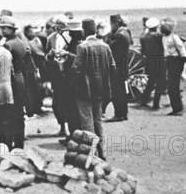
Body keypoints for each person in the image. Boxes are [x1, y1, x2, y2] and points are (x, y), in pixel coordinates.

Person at [71, 19, 115, 159]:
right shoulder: (105, 46)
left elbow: (76, 68)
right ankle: (101, 151)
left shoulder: (82, 47)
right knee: (97, 120)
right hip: (101, 88)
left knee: (87, 121)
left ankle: (92, 152)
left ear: (83, 31)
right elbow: (112, 67)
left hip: (84, 89)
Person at [0, 17, 27, 149]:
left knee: (8, 114)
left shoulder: (8, 45)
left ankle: (8, 145)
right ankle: (19, 144)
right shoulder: (19, 42)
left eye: (4, 28)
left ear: (11, 29)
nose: (2, 30)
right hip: (20, 78)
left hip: (11, 80)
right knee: (18, 113)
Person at [45, 14, 71, 135]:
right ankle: (62, 127)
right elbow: (46, 57)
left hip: (69, 74)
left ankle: (70, 129)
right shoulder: (50, 38)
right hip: (56, 74)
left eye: (61, 25)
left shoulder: (71, 37)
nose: (58, 28)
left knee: (68, 101)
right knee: (57, 103)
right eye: (57, 25)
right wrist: (50, 56)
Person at [105, 14, 132, 122]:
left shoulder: (119, 35)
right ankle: (123, 113)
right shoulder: (125, 32)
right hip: (123, 66)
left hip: (117, 67)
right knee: (122, 91)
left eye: (111, 24)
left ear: (116, 23)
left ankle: (119, 114)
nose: (111, 26)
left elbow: (109, 47)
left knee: (117, 92)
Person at [160, 18, 186, 116]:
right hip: (169, 61)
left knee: (173, 87)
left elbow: (181, 49)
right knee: (172, 86)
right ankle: (176, 108)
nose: (163, 29)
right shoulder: (164, 38)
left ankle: (177, 108)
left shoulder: (174, 37)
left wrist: (181, 63)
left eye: (164, 27)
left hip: (175, 61)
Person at [139, 17, 166, 109]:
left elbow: (142, 52)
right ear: (156, 26)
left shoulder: (144, 37)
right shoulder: (160, 36)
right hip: (159, 61)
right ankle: (156, 104)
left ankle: (144, 100)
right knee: (160, 82)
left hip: (149, 62)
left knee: (151, 82)